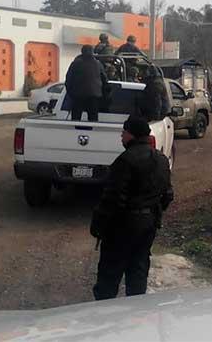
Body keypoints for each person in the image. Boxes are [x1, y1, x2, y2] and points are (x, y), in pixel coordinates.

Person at [90, 116, 174, 300]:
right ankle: (136, 312)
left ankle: (102, 315)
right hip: (148, 224)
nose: (121, 136)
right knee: (138, 268)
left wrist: (99, 226)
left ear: (132, 135)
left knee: (110, 271)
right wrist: (153, 213)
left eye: (124, 132)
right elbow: (168, 194)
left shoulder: (125, 160)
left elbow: (112, 199)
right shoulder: (161, 159)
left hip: (123, 225)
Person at [65, 45, 108, 122]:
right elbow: (105, 80)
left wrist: (71, 93)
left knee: (76, 118)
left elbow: (68, 79)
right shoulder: (98, 64)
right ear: (92, 52)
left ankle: (76, 132)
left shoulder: (75, 63)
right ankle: (91, 132)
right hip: (94, 96)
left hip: (78, 95)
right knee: (93, 119)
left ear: (82, 52)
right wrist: (102, 95)